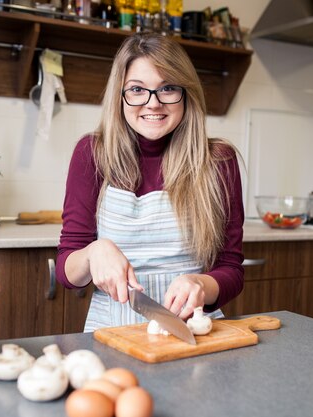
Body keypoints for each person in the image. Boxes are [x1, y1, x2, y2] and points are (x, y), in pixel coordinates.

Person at [56, 32, 244, 332]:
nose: (153, 103)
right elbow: (67, 273)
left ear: (187, 93)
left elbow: (231, 271)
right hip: (111, 331)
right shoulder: (92, 154)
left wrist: (200, 283)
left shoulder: (218, 161)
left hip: (193, 330)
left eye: (167, 88)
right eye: (137, 89)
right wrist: (93, 254)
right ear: (120, 95)